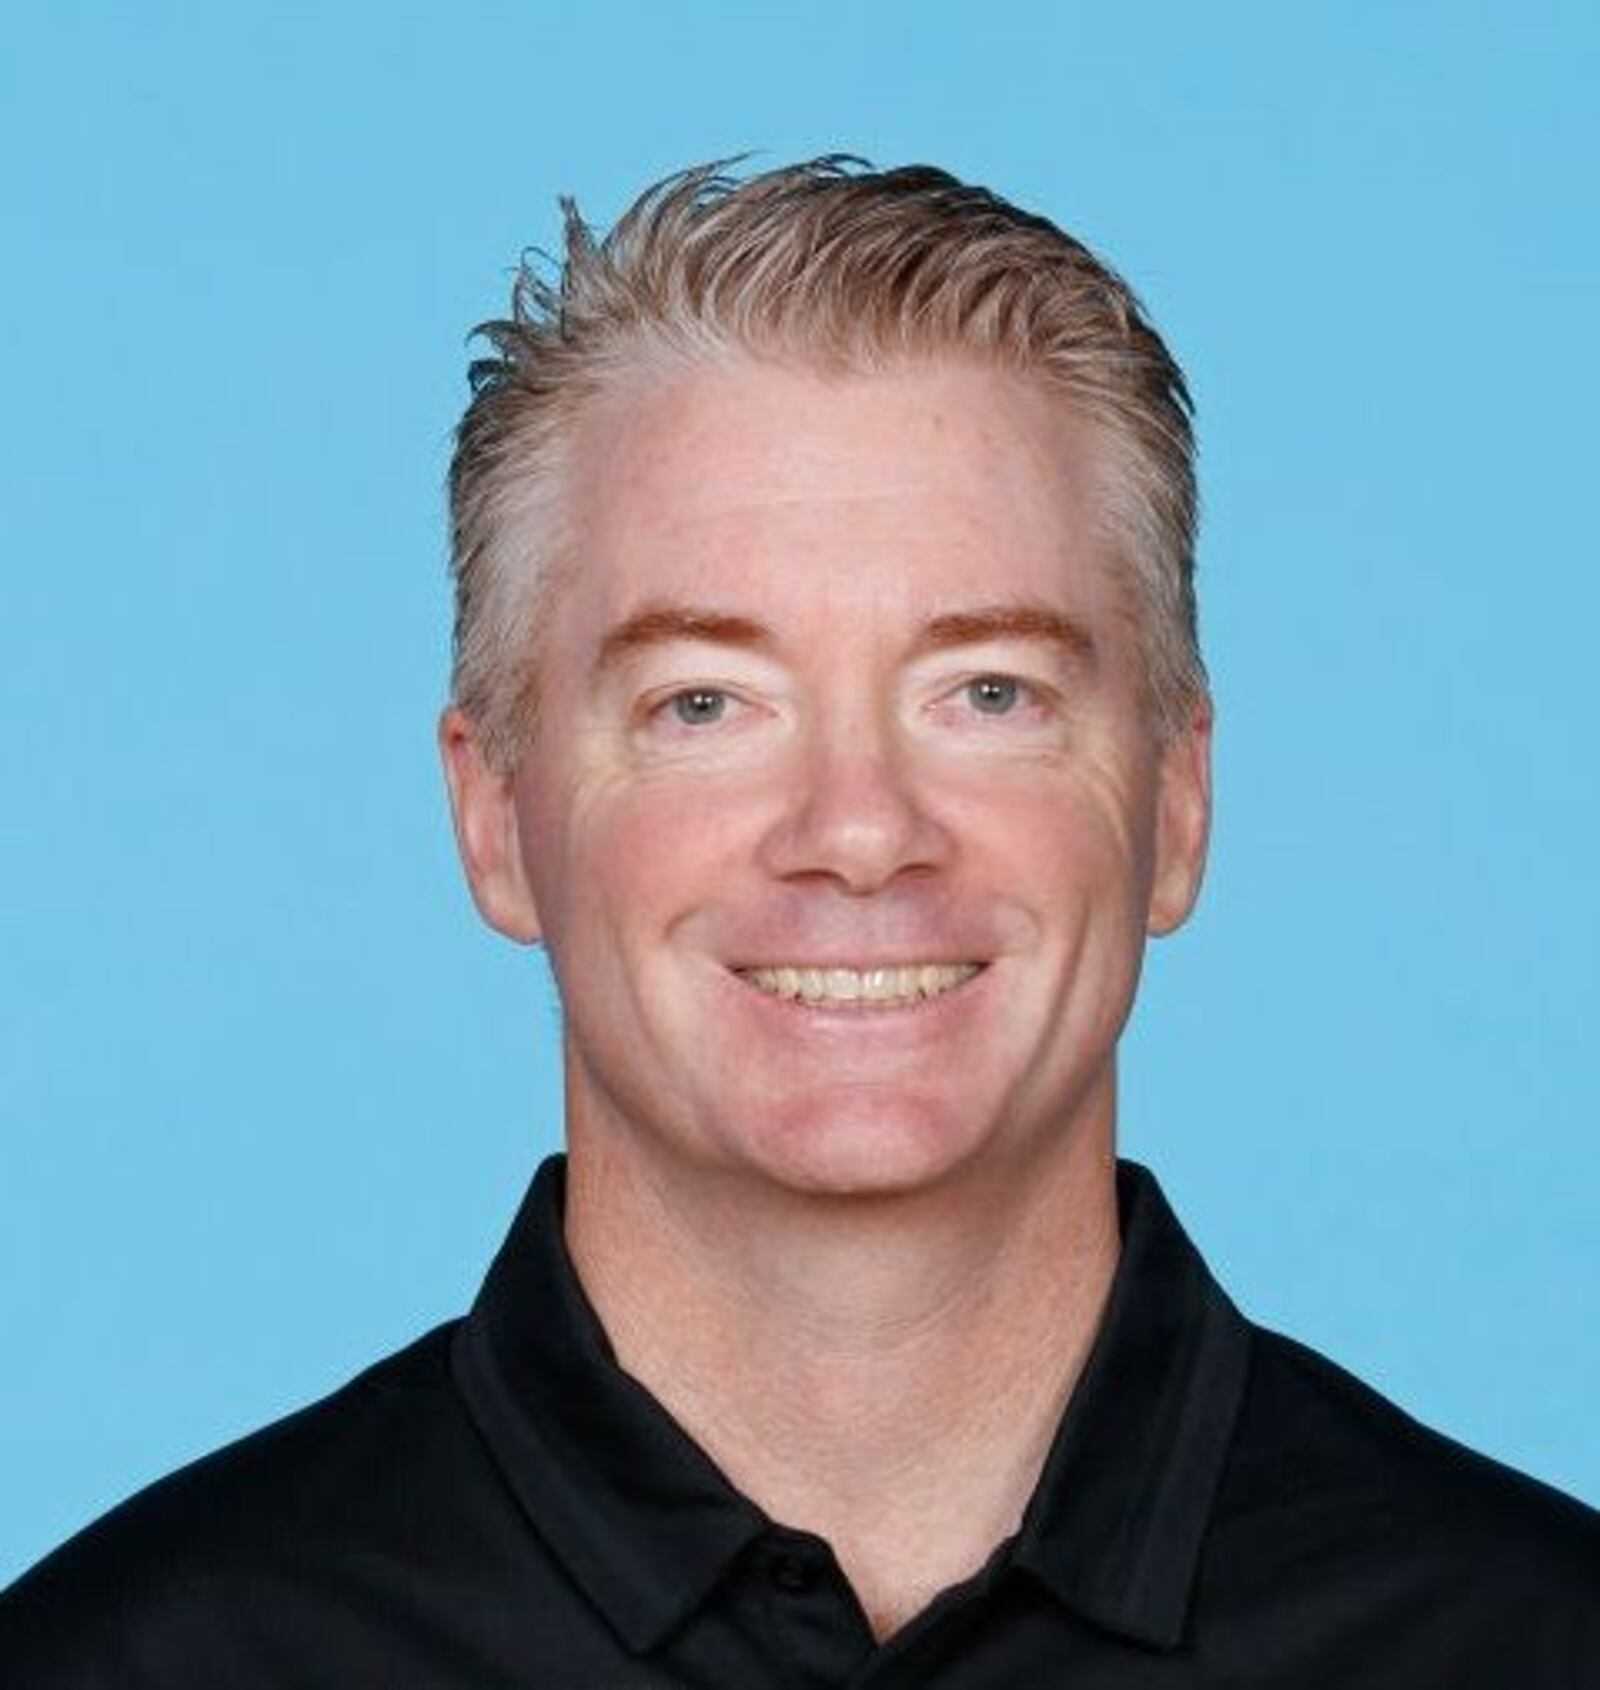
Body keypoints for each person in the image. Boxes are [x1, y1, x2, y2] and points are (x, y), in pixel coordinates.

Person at [3, 155, 1595, 1687]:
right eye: (705, 701)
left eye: (988, 691)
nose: (859, 831)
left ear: (1177, 803)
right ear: (494, 818)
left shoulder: (1534, 1641)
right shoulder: (126, 1659)